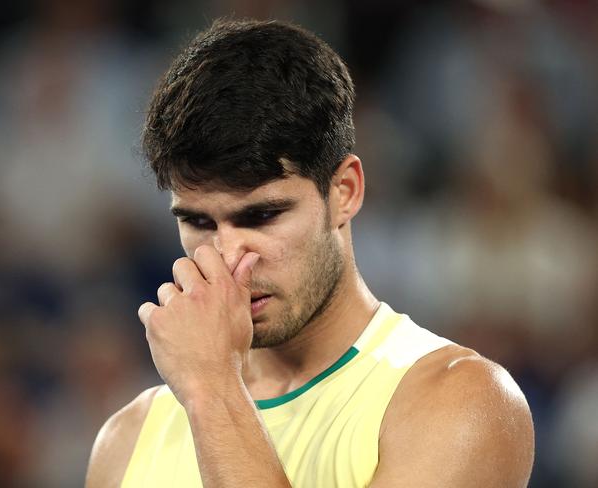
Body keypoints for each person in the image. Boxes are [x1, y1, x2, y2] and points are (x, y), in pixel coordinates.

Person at [85, 19, 534, 488]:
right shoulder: (125, 439)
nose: (229, 257)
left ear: (345, 191)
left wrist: (214, 389)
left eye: (262, 216)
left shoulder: (463, 404)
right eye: (198, 222)